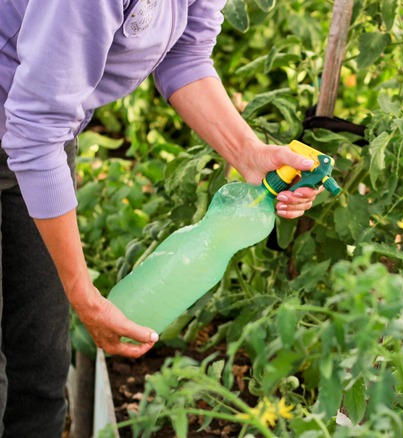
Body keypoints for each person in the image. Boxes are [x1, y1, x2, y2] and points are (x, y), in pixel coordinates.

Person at [0, 0, 322, 435]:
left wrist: (250, 153)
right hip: (34, 132)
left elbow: (184, 53)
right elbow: (35, 131)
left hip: (40, 138)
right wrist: (84, 295)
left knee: (40, 363)